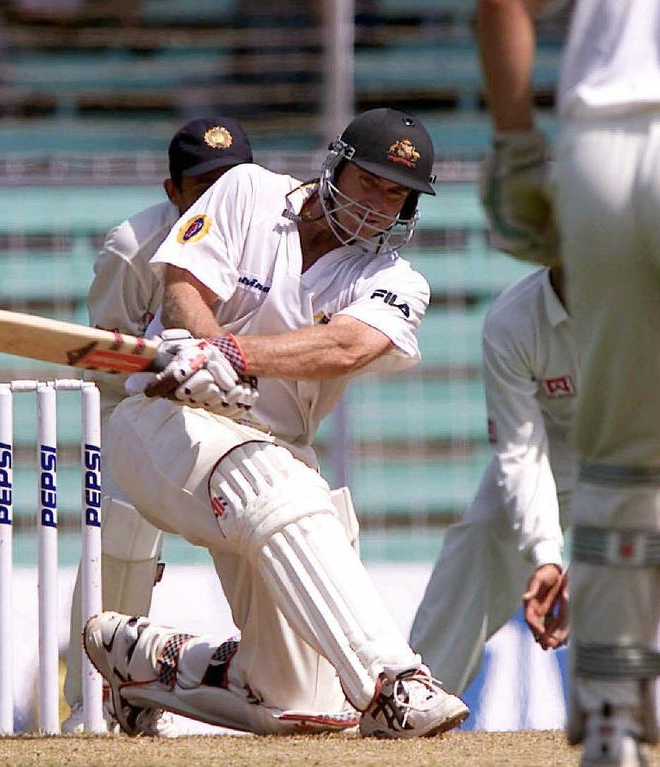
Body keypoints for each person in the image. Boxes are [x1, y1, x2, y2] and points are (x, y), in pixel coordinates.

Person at [82, 108, 470, 738]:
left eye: (395, 194)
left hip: (274, 454)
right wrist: (205, 351)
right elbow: (184, 286)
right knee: (273, 477)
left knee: (302, 705)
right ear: (335, 165)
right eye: (369, 181)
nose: (378, 205)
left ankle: (150, 667)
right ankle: (395, 681)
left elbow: (347, 348)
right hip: (161, 422)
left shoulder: (396, 281)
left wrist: (235, 360)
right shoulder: (248, 190)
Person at [477, 0, 660, 764]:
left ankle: (612, 707)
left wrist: (519, 145)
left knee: (618, 447)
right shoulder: (511, 326)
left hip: (604, 141)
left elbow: (501, 7)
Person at [62, 117, 256, 734]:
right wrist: (163, 369)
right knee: (121, 535)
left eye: (232, 182)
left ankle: (298, 685)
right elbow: (107, 361)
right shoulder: (133, 245)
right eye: (202, 186)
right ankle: (95, 705)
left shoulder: (273, 233)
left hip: (243, 410)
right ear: (172, 192)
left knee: (280, 525)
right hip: (143, 406)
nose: (219, 197)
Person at [409, 263, 574, 694]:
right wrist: (546, 556)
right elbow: (521, 449)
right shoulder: (514, 320)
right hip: (565, 447)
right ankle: (418, 699)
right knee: (481, 536)